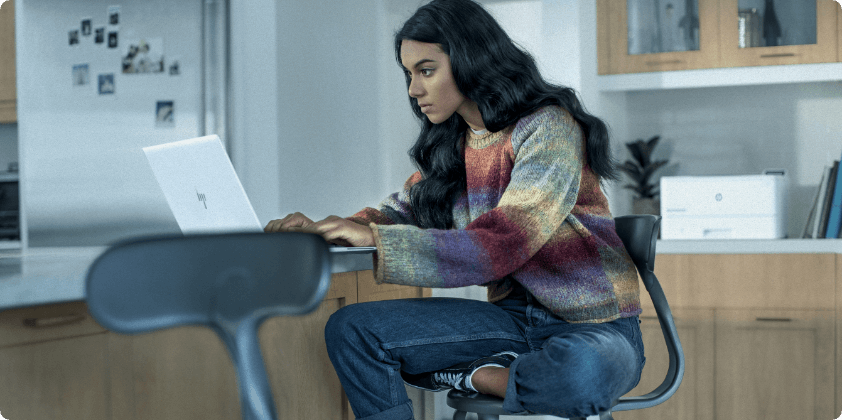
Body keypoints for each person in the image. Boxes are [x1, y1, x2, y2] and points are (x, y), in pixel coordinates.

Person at [263, 0, 645, 418]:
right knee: (351, 329)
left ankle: (475, 374)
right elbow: (403, 209)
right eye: (409, 74)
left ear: (471, 60)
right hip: (510, 325)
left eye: (426, 71)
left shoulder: (549, 128)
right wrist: (331, 228)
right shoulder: (454, 146)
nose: (413, 89)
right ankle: (501, 371)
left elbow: (504, 243)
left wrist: (374, 239)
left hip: (594, 329)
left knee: (581, 375)